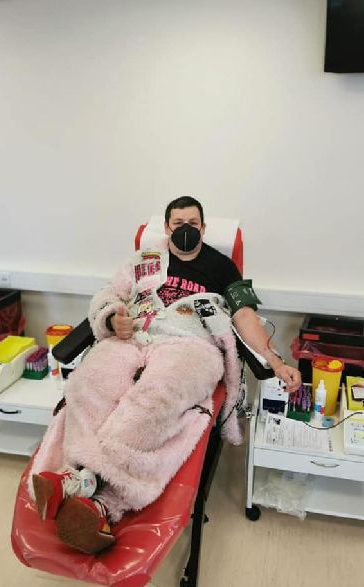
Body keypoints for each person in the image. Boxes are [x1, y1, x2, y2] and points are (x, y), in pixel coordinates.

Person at [30, 196, 301, 554]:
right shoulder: (146, 260)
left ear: (203, 228)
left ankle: (98, 492)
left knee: (158, 395)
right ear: (166, 227)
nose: (186, 230)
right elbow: (111, 294)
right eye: (178, 223)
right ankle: (77, 477)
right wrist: (112, 317)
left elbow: (244, 316)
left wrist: (276, 361)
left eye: (193, 223)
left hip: (191, 342)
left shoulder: (223, 268)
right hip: (136, 333)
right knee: (86, 383)